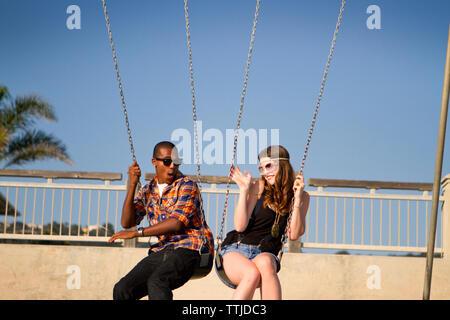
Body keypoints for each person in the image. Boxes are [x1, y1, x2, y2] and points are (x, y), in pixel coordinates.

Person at [109, 141, 214, 300]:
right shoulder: (148, 190)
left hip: (190, 248)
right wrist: (133, 185)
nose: (172, 166)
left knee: (157, 281)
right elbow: (127, 222)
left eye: (176, 162)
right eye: (167, 161)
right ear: (154, 162)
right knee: (122, 289)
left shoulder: (187, 185)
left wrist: (138, 234)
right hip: (162, 250)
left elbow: (176, 223)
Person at [220, 145, 310, 300]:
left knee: (267, 262)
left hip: (264, 253)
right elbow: (239, 226)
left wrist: (298, 198)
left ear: (283, 165)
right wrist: (244, 190)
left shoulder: (302, 196)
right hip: (237, 249)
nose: (265, 172)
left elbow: (294, 234)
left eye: (268, 166)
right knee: (251, 273)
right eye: (261, 168)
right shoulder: (259, 186)